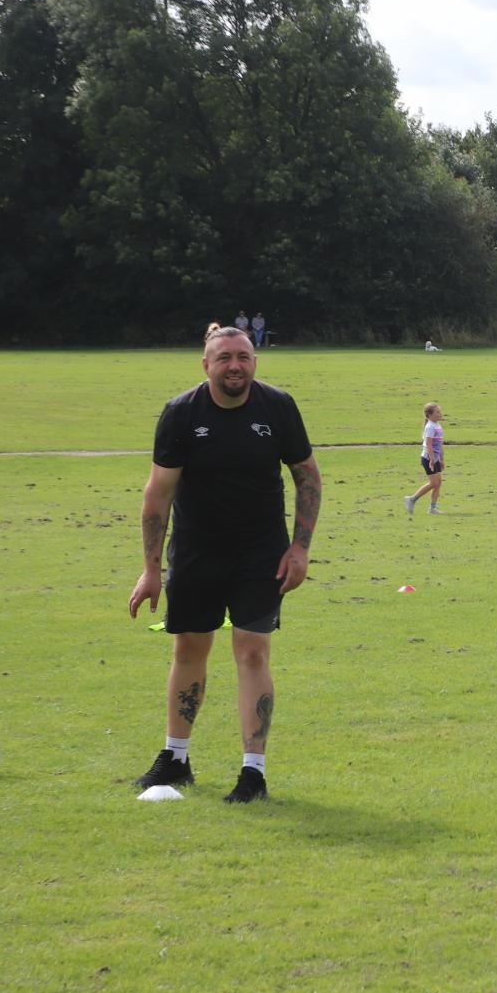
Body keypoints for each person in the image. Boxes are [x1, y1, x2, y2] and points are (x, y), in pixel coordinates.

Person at [127, 323, 320, 802]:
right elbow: (158, 496)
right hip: (196, 550)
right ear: (206, 365)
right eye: (225, 358)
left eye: (244, 357)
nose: (235, 366)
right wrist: (152, 569)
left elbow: (308, 478)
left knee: (253, 651)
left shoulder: (277, 406)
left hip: (262, 551)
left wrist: (300, 547)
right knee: (189, 648)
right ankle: (176, 758)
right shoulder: (180, 413)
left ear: (255, 361)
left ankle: (253, 773)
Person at [405, 402, 445, 515]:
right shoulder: (430, 427)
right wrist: (432, 460)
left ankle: (432, 508)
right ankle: (412, 499)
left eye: (440, 412)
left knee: (438, 482)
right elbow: (429, 445)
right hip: (428, 459)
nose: (440, 414)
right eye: (437, 412)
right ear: (429, 415)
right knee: (433, 483)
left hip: (435, 458)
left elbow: (440, 445)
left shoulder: (437, 425)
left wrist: (441, 459)